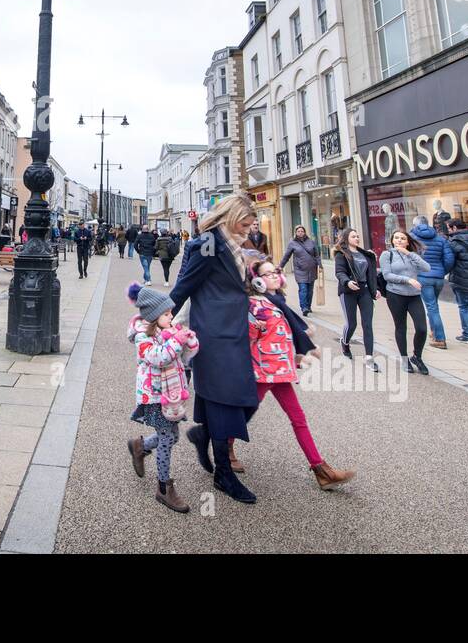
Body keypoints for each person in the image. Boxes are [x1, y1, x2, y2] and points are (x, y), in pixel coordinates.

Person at [169, 195, 260, 505]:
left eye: (251, 225)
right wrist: (159, 319)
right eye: (245, 224)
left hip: (233, 331)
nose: (250, 230)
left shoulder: (235, 246)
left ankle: (204, 434)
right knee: (227, 399)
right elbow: (184, 285)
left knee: (238, 397)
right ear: (230, 217)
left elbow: (236, 285)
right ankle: (223, 472)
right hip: (213, 333)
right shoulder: (207, 244)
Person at [243, 262, 355, 489]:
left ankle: (321, 470)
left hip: (281, 371)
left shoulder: (280, 303)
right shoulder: (255, 305)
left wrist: (297, 355)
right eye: (268, 273)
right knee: (244, 414)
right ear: (257, 280)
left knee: (298, 419)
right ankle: (218, 443)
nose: (275, 276)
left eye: (276, 272)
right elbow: (250, 335)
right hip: (264, 371)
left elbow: (284, 335)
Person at [125, 282, 199, 513]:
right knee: (168, 437)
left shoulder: (166, 331)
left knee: (172, 436)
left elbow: (185, 357)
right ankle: (164, 487)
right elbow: (158, 358)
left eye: (171, 313)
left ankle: (141, 446)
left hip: (171, 394)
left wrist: (189, 341)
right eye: (167, 314)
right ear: (154, 315)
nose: (171, 316)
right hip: (155, 396)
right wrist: (176, 341)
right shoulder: (142, 338)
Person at [379, 230, 430, 374]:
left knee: (421, 328)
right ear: (392, 240)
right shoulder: (387, 255)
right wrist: (408, 280)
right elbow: (387, 275)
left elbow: (427, 268)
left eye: (402, 238)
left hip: (414, 296)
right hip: (396, 295)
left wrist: (409, 254)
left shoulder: (412, 256)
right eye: (396, 238)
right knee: (401, 327)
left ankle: (417, 357)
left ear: (407, 242)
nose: (399, 240)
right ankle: (405, 359)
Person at [334, 228, 380, 372]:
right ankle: (345, 342)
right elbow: (339, 272)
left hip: (364, 291)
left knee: (367, 324)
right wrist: (347, 282)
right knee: (351, 324)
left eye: (358, 236)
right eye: (354, 236)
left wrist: (375, 289)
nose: (357, 238)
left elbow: (371, 274)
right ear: (347, 238)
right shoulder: (341, 254)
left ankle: (369, 358)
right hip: (348, 291)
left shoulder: (365, 255)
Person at [409, 215, 454, 349]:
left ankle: (440, 339)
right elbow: (449, 259)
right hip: (438, 277)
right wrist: (442, 271)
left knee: (432, 307)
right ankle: (434, 332)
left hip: (423, 276)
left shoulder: (412, 238)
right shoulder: (440, 238)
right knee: (433, 305)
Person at [278, 225, 320, 316]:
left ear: (305, 232)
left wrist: (320, 265)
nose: (300, 233)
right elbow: (286, 256)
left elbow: (317, 255)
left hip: (312, 269)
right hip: (300, 270)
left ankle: (308, 306)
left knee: (310, 290)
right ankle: (304, 308)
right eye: (298, 231)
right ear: (296, 233)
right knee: (303, 289)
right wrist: (280, 266)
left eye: (302, 231)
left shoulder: (311, 242)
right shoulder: (292, 243)